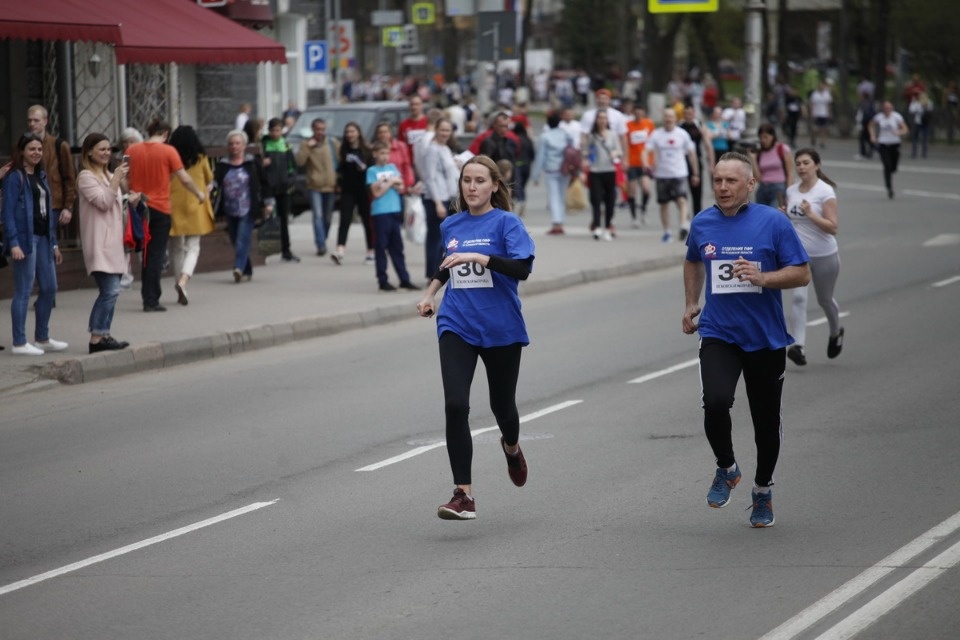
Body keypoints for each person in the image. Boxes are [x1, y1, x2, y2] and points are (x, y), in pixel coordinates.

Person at [682, 151, 811, 528]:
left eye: (731, 181)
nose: (722, 187)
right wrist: (692, 302)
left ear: (750, 184)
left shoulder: (773, 222)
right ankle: (727, 466)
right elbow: (691, 259)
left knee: (765, 422)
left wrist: (764, 278)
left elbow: (801, 274)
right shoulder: (703, 222)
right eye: (718, 180)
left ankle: (762, 490)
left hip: (766, 338)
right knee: (716, 402)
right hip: (719, 332)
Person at [415, 155, 536, 521]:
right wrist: (430, 292)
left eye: (480, 181)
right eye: (467, 180)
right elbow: (447, 263)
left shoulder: (507, 223)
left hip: (500, 328)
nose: (472, 187)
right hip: (458, 324)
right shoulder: (452, 224)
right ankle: (462, 494)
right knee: (455, 405)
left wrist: (481, 257)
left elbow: (523, 269)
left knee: (503, 407)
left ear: (494, 186)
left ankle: (511, 447)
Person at [126, 119, 206, 312]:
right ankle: (151, 299)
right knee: (155, 254)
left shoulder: (132, 150)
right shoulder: (169, 151)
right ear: (165, 134)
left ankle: (147, 295)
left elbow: (123, 176)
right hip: (160, 208)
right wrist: (199, 193)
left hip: (138, 206)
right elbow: (184, 178)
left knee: (145, 252)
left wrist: (130, 194)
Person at [2, 132, 67, 355]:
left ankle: (42, 338)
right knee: (23, 290)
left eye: (39, 149)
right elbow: (7, 213)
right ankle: (19, 342)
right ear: (22, 152)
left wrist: (55, 244)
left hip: (44, 240)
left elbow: (47, 213)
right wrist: (13, 243)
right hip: (25, 240)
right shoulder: (14, 177)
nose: (36, 152)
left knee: (50, 288)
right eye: (31, 149)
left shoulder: (41, 176)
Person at [783, 148, 843, 366]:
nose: (801, 167)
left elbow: (833, 227)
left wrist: (811, 214)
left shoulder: (825, 191)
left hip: (825, 254)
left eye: (806, 163)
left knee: (824, 300)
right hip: (799, 256)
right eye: (798, 163)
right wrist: (783, 217)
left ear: (817, 165)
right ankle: (798, 346)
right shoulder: (791, 191)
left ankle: (836, 331)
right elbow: (791, 223)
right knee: (798, 298)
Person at [76, 133, 132, 353]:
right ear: (89, 151)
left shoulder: (109, 174)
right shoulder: (86, 177)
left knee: (114, 290)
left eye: (109, 149)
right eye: (102, 149)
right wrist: (117, 179)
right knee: (109, 290)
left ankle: (104, 334)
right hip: (99, 242)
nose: (107, 153)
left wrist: (129, 199)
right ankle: (96, 338)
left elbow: (116, 203)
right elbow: (103, 202)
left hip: (115, 241)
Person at [213, 130, 273, 283]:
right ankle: (247, 270)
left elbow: (265, 183)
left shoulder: (252, 163)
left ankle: (238, 267)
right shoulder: (222, 164)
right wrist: (209, 187)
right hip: (229, 208)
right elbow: (215, 182)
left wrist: (268, 203)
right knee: (235, 240)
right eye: (231, 144)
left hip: (248, 208)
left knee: (242, 239)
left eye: (238, 143)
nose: (234, 146)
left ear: (244, 145)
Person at [168, 125, 215, 306]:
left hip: (174, 206)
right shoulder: (201, 157)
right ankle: (183, 280)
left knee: (176, 248)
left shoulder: (171, 157)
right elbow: (209, 178)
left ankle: (178, 284)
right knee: (193, 247)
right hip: (196, 204)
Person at [366, 141, 419, 292]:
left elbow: (401, 185)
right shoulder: (372, 171)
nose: (385, 156)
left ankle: (404, 279)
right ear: (375, 154)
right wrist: (390, 182)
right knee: (381, 247)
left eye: (387, 153)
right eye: (382, 153)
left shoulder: (392, 168)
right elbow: (376, 193)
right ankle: (382, 280)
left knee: (397, 247)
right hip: (380, 212)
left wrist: (387, 182)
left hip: (394, 210)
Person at [645, 109, 698, 243]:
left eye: (671, 117)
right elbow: (646, 151)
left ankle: (683, 226)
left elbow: (691, 154)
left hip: (679, 172)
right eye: (666, 117)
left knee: (682, 200)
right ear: (663, 119)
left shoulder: (682, 134)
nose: (668, 119)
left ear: (675, 119)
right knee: (664, 204)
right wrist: (646, 164)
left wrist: (695, 173)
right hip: (662, 174)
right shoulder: (656, 134)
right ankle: (667, 231)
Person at [420, 119, 460, 281]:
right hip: (436, 199)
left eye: (448, 130)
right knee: (435, 238)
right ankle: (432, 273)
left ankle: (440, 271)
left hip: (448, 197)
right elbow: (429, 178)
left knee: (444, 239)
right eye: (442, 130)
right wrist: (437, 202)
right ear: (436, 130)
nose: (445, 133)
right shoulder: (432, 150)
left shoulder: (445, 148)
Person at [295, 118, 339, 256]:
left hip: (330, 186)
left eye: (322, 129)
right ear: (312, 130)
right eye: (317, 129)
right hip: (315, 186)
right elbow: (299, 162)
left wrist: (339, 180)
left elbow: (340, 161)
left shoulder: (332, 143)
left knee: (327, 218)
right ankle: (320, 244)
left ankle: (323, 238)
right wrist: (308, 146)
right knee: (318, 216)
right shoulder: (306, 144)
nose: (320, 132)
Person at [332, 122, 374, 265]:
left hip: (364, 190)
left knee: (367, 222)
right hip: (348, 190)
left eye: (352, 131)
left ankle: (370, 251)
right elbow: (340, 170)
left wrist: (365, 167)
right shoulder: (343, 150)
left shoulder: (367, 150)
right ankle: (340, 250)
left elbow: (372, 169)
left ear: (358, 133)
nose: (350, 134)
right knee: (344, 220)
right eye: (347, 132)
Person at [26, 105, 76, 228]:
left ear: (45, 121)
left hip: (53, 205)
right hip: (30, 204)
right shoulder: (23, 146)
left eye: (36, 120)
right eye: (29, 120)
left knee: (49, 242)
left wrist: (68, 207)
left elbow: (70, 178)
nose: (32, 124)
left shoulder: (59, 145)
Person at [260, 118, 299, 263]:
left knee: (283, 219)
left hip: (283, 187)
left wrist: (290, 180)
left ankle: (286, 250)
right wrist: (262, 164)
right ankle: (265, 251)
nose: (275, 133)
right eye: (272, 130)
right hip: (268, 187)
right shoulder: (263, 145)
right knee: (267, 218)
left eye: (277, 130)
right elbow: (256, 165)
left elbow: (292, 167)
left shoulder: (286, 145)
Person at [583, 108, 623, 241]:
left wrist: (615, 153)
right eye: (599, 118)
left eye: (604, 118)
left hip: (610, 170)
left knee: (610, 200)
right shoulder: (592, 135)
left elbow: (619, 151)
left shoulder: (612, 134)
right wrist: (587, 157)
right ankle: (597, 227)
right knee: (596, 199)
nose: (602, 120)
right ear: (596, 120)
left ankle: (607, 226)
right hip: (595, 171)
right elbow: (585, 151)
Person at [530, 110, 571, 235]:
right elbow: (572, 151)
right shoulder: (565, 134)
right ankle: (561, 222)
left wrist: (536, 175)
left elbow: (541, 156)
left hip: (551, 169)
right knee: (562, 196)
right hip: (565, 169)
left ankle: (556, 223)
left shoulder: (545, 136)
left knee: (554, 196)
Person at [869, 101, 909, 199]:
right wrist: (873, 136)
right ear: (883, 109)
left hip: (895, 144)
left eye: (889, 108)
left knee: (893, 167)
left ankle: (891, 170)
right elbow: (871, 125)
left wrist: (899, 132)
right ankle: (889, 187)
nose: (887, 110)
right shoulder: (879, 117)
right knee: (887, 166)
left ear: (892, 109)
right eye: (885, 108)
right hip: (883, 144)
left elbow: (905, 129)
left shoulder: (897, 117)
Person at [625, 104, 656, 226]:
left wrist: (652, 161)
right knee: (632, 191)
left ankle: (643, 210)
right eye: (636, 113)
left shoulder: (649, 124)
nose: (638, 115)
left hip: (645, 163)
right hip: (632, 162)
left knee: (646, 188)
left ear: (643, 113)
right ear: (633, 113)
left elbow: (653, 143)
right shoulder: (628, 125)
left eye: (640, 113)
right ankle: (634, 217)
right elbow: (625, 143)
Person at [679, 105, 712, 216]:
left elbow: (708, 145)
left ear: (694, 114)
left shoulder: (699, 125)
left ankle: (697, 215)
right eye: (686, 113)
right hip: (682, 162)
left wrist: (711, 163)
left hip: (696, 161)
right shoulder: (680, 126)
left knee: (697, 191)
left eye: (690, 113)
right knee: (682, 191)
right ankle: (685, 212)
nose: (688, 116)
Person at [751, 123, 792, 208]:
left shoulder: (781, 148)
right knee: (762, 216)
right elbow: (757, 178)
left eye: (766, 137)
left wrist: (790, 193)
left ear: (772, 136)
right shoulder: (760, 152)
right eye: (761, 137)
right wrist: (753, 159)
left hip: (778, 188)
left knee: (775, 214)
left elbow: (790, 173)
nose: (763, 140)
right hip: (763, 188)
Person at [511, 122, 536, 217]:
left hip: (517, 164)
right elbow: (533, 154)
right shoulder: (528, 140)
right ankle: (523, 201)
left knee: (518, 184)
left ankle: (521, 201)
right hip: (527, 165)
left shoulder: (514, 140)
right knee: (522, 185)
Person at [908, 92, 933, 159]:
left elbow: (930, 111)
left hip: (924, 122)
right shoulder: (917, 103)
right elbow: (911, 110)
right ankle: (915, 153)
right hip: (918, 122)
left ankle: (922, 153)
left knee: (923, 138)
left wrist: (924, 106)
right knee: (917, 138)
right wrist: (913, 102)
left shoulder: (928, 103)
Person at [808, 81, 833, 148]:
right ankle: (813, 137)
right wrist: (812, 112)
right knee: (815, 128)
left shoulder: (827, 94)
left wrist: (829, 113)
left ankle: (822, 142)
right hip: (816, 113)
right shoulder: (815, 94)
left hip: (824, 113)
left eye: (823, 86)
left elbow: (829, 104)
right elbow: (812, 103)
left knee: (823, 128)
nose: (822, 87)